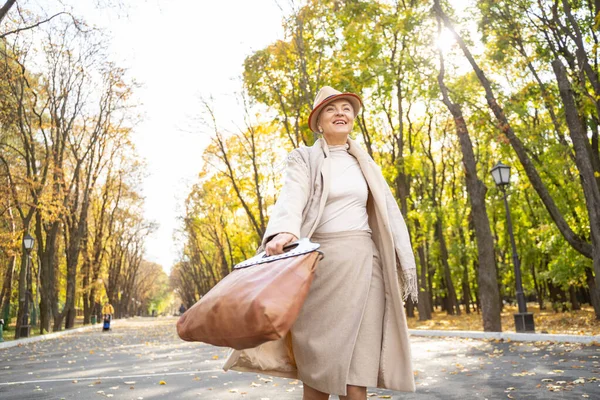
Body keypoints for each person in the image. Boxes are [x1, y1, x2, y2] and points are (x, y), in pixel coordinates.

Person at [224, 86, 418, 400]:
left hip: (367, 266)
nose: (340, 113)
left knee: (357, 378)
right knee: (319, 375)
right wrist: (284, 231)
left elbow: (385, 216)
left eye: (346, 108)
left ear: (354, 118)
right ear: (318, 121)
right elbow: (292, 196)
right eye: (331, 109)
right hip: (322, 268)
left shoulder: (365, 163)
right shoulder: (303, 159)